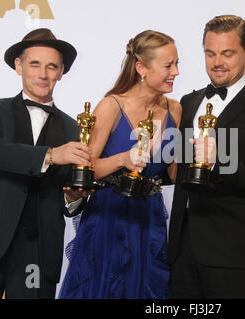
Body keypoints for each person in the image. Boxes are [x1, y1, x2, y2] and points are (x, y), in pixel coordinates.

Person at [0, 28, 92, 298]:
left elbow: (69, 200)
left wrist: (75, 198)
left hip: (38, 252)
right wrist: (51, 155)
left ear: (62, 71)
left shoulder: (73, 127)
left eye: (51, 66)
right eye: (35, 64)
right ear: (19, 66)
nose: (43, 74)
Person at [167, 15, 245, 298]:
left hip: (231, 258)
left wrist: (221, 160)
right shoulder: (189, 101)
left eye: (227, 53)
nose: (217, 62)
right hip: (181, 252)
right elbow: (178, 170)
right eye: (210, 53)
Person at [59, 30, 181, 299]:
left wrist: (201, 157)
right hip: (109, 219)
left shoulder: (175, 109)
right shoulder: (111, 106)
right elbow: (85, 170)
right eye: (168, 65)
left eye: (177, 63)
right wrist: (122, 160)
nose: (176, 72)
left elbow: (173, 171)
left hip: (150, 221)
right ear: (141, 68)